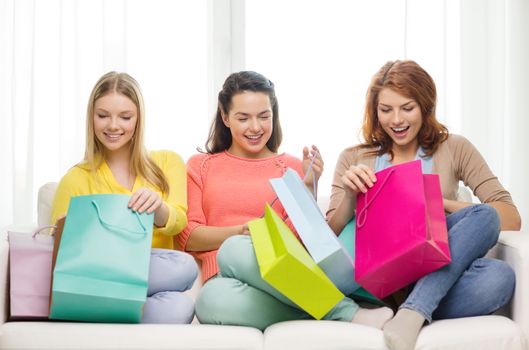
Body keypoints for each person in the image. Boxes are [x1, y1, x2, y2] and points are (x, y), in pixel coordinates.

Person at [176, 70, 394, 331]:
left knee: (235, 247)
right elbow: (189, 236)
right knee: (210, 300)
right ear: (225, 117)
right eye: (243, 118)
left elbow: (302, 241)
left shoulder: (292, 167)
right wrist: (242, 231)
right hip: (224, 276)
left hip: (284, 278)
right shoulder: (200, 166)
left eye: (264, 116)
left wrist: (309, 186)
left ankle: (340, 310)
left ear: (273, 115)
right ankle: (336, 311)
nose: (255, 127)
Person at [327, 60, 521, 350]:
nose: (396, 120)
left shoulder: (454, 148)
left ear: (426, 106)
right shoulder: (354, 158)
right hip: (382, 281)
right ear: (374, 110)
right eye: (385, 109)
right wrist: (349, 196)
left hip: (435, 264)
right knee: (489, 241)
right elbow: (326, 236)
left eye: (407, 108)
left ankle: (412, 311)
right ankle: (416, 308)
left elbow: (510, 217)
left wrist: (433, 202)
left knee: (497, 264)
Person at [51, 71, 198, 324]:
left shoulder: (167, 162)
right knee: (181, 271)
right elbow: (56, 251)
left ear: (138, 119)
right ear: (91, 118)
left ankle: (117, 315)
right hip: (99, 276)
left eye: (125, 117)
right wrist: (69, 228)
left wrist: (158, 208)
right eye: (103, 115)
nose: (113, 126)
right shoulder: (75, 178)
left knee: (182, 285)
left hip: (153, 282)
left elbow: (179, 221)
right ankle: (114, 306)